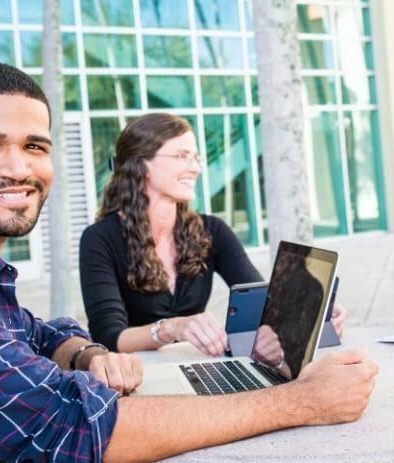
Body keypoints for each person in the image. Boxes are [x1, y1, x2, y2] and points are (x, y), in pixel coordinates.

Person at [0, 62, 377, 463]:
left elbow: (33, 331)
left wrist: (84, 353)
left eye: (35, 147)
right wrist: (301, 402)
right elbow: (72, 434)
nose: (17, 168)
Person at [80, 113, 346, 362]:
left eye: (196, 158)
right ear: (140, 164)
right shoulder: (99, 239)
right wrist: (172, 328)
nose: (195, 168)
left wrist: (312, 314)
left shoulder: (212, 230)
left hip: (195, 365)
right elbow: (108, 337)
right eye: (182, 156)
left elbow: (262, 303)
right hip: (139, 375)